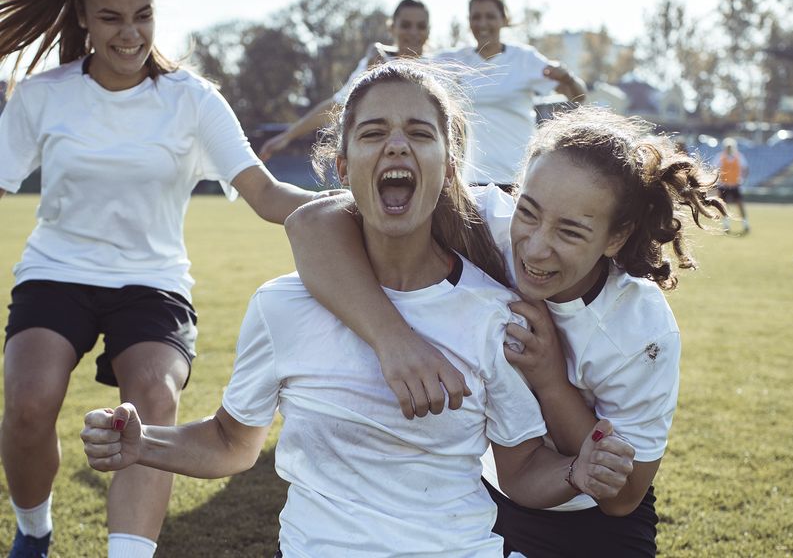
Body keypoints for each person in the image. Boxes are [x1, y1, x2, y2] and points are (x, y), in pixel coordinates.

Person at [82, 62, 635, 557]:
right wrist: (143, 442)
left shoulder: (495, 313)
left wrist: (575, 472)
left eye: (420, 133)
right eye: (374, 133)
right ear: (343, 171)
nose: (397, 146)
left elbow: (519, 470)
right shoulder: (282, 306)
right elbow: (230, 442)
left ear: (449, 167)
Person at [283, 105, 727, 556]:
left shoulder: (642, 329)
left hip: (588, 518)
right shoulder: (483, 224)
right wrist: (392, 339)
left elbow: (623, 496)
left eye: (571, 233)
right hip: (488, 496)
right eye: (529, 212)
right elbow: (311, 223)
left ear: (615, 237)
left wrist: (551, 380)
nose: (535, 248)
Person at [0, 0, 316, 557]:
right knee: (29, 402)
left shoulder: (193, 101)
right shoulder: (44, 95)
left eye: (142, 16)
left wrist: (347, 208)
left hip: (151, 282)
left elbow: (267, 193)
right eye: (112, 18)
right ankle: (34, 531)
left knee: (152, 397)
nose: (130, 33)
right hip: (56, 271)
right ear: (84, 21)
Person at [435, 0, 586, 190]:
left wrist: (567, 76)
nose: (482, 23)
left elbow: (578, 96)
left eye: (490, 16)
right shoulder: (454, 60)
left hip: (517, 176)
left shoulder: (524, 59)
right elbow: (408, 62)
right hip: (468, 178)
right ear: (469, 21)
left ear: (504, 19)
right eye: (476, 17)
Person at [258, 0, 430, 161]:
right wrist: (287, 136)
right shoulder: (373, 62)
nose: (414, 32)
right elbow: (338, 104)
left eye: (421, 26)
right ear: (392, 28)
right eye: (406, 25)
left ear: (428, 31)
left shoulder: (442, 66)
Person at [713, 137, 749, 233]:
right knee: (723, 206)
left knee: (740, 205)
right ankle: (726, 225)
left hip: (735, 185)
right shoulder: (720, 157)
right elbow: (715, 170)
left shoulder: (739, 157)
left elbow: (745, 169)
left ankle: (746, 224)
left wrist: (742, 180)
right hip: (723, 186)